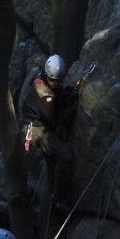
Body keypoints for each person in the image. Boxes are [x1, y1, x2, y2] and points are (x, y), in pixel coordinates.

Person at [20, 54, 76, 203]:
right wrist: (70, 104)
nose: (56, 83)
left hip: (41, 124)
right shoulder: (41, 93)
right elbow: (54, 118)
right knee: (65, 155)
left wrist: (68, 93)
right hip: (33, 130)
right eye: (53, 81)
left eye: (58, 81)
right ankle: (59, 196)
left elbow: (57, 94)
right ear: (47, 75)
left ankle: (53, 190)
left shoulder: (46, 82)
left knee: (52, 161)